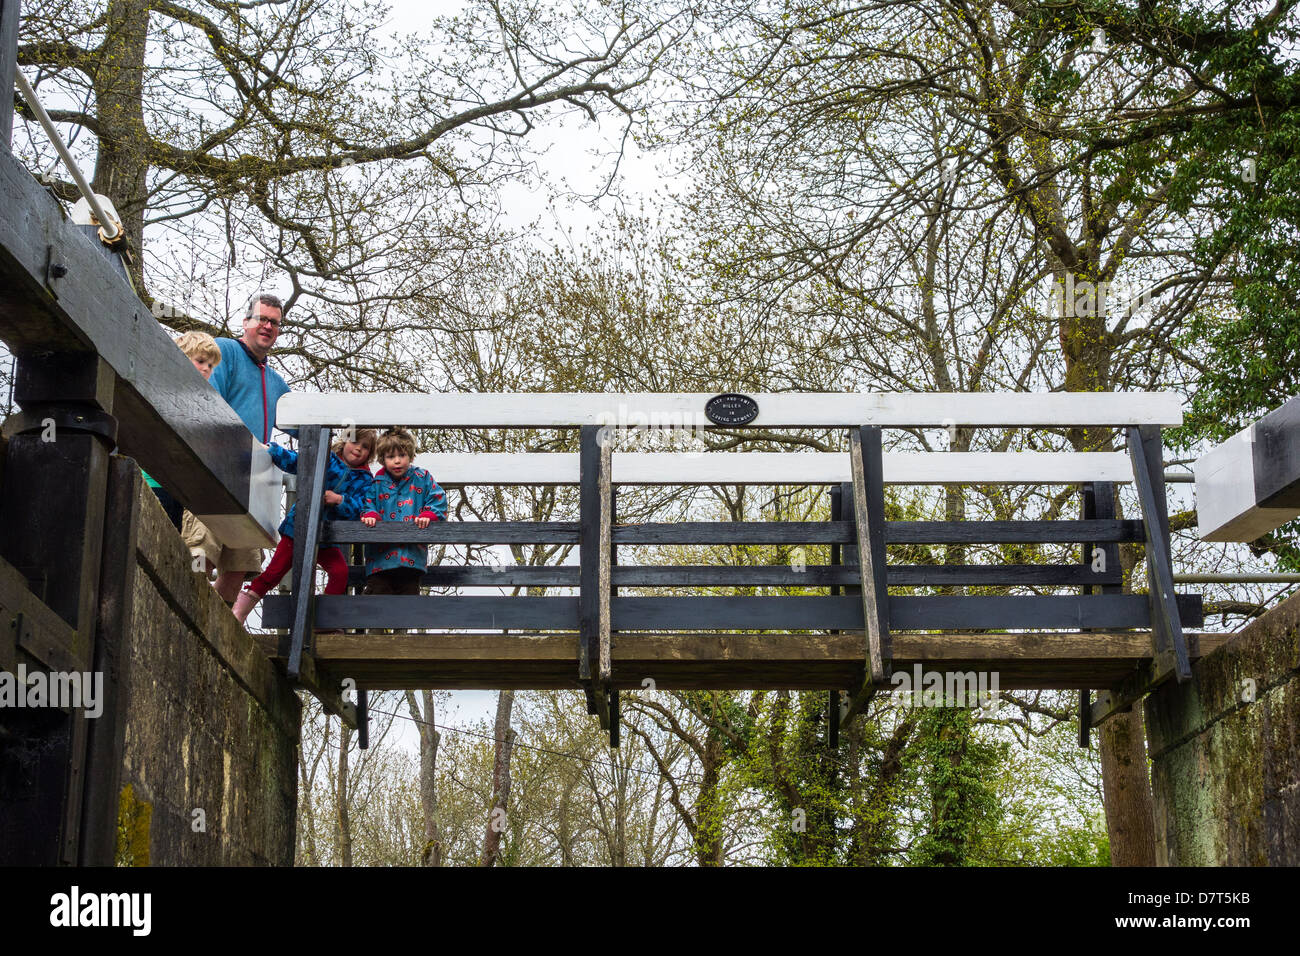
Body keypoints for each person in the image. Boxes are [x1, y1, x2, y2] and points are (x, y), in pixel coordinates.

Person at [201, 292, 293, 604]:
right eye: (262, 319)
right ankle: (186, 613)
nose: (268, 326)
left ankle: (218, 631)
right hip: (217, 469)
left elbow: (300, 421)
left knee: (240, 562)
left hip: (252, 481)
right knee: (204, 549)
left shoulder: (276, 381)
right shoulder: (224, 350)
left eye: (275, 323)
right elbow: (208, 401)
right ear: (247, 322)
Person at [232, 428, 377, 624]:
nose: (358, 449)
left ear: (371, 453)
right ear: (345, 442)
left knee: (340, 572)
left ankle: (326, 621)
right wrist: (273, 450)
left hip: (327, 536)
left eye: (365, 447)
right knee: (274, 572)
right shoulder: (327, 461)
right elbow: (298, 461)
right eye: (355, 442)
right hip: (299, 528)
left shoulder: (365, 480)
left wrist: (340, 500)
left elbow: (362, 507)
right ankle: (240, 611)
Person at [144, 331, 222, 530]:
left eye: (211, 366)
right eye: (201, 361)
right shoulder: (163, 390)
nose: (206, 369)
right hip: (154, 483)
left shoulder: (199, 401)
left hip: (178, 488)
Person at [360, 428, 447, 595]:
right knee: (377, 596)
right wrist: (370, 515)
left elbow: (439, 499)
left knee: (408, 603)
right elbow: (367, 504)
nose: (397, 461)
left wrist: (428, 515)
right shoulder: (377, 483)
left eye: (402, 455)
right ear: (383, 460)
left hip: (411, 559)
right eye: (391, 457)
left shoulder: (422, 478)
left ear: (411, 456)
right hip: (380, 561)